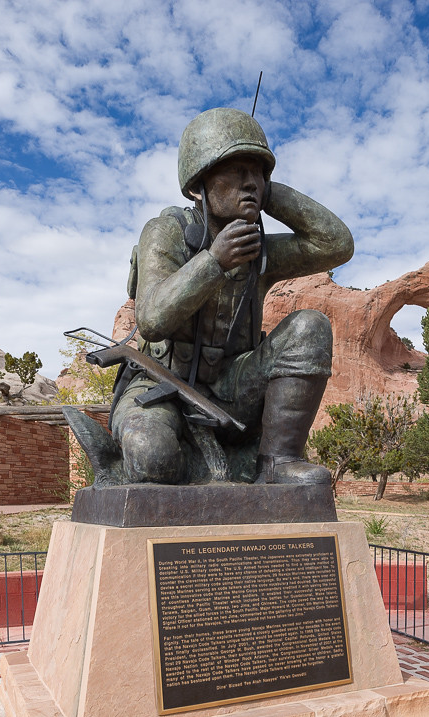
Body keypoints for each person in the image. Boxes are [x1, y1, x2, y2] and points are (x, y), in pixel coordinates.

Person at [111, 107, 354, 485]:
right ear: (198, 183)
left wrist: (269, 194)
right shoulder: (166, 231)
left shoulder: (258, 250)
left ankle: (277, 464)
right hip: (161, 386)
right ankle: (213, 468)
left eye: (257, 172)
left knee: (310, 326)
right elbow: (153, 320)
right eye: (236, 170)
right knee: (151, 455)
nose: (250, 182)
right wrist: (213, 262)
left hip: (232, 387)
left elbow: (336, 244)